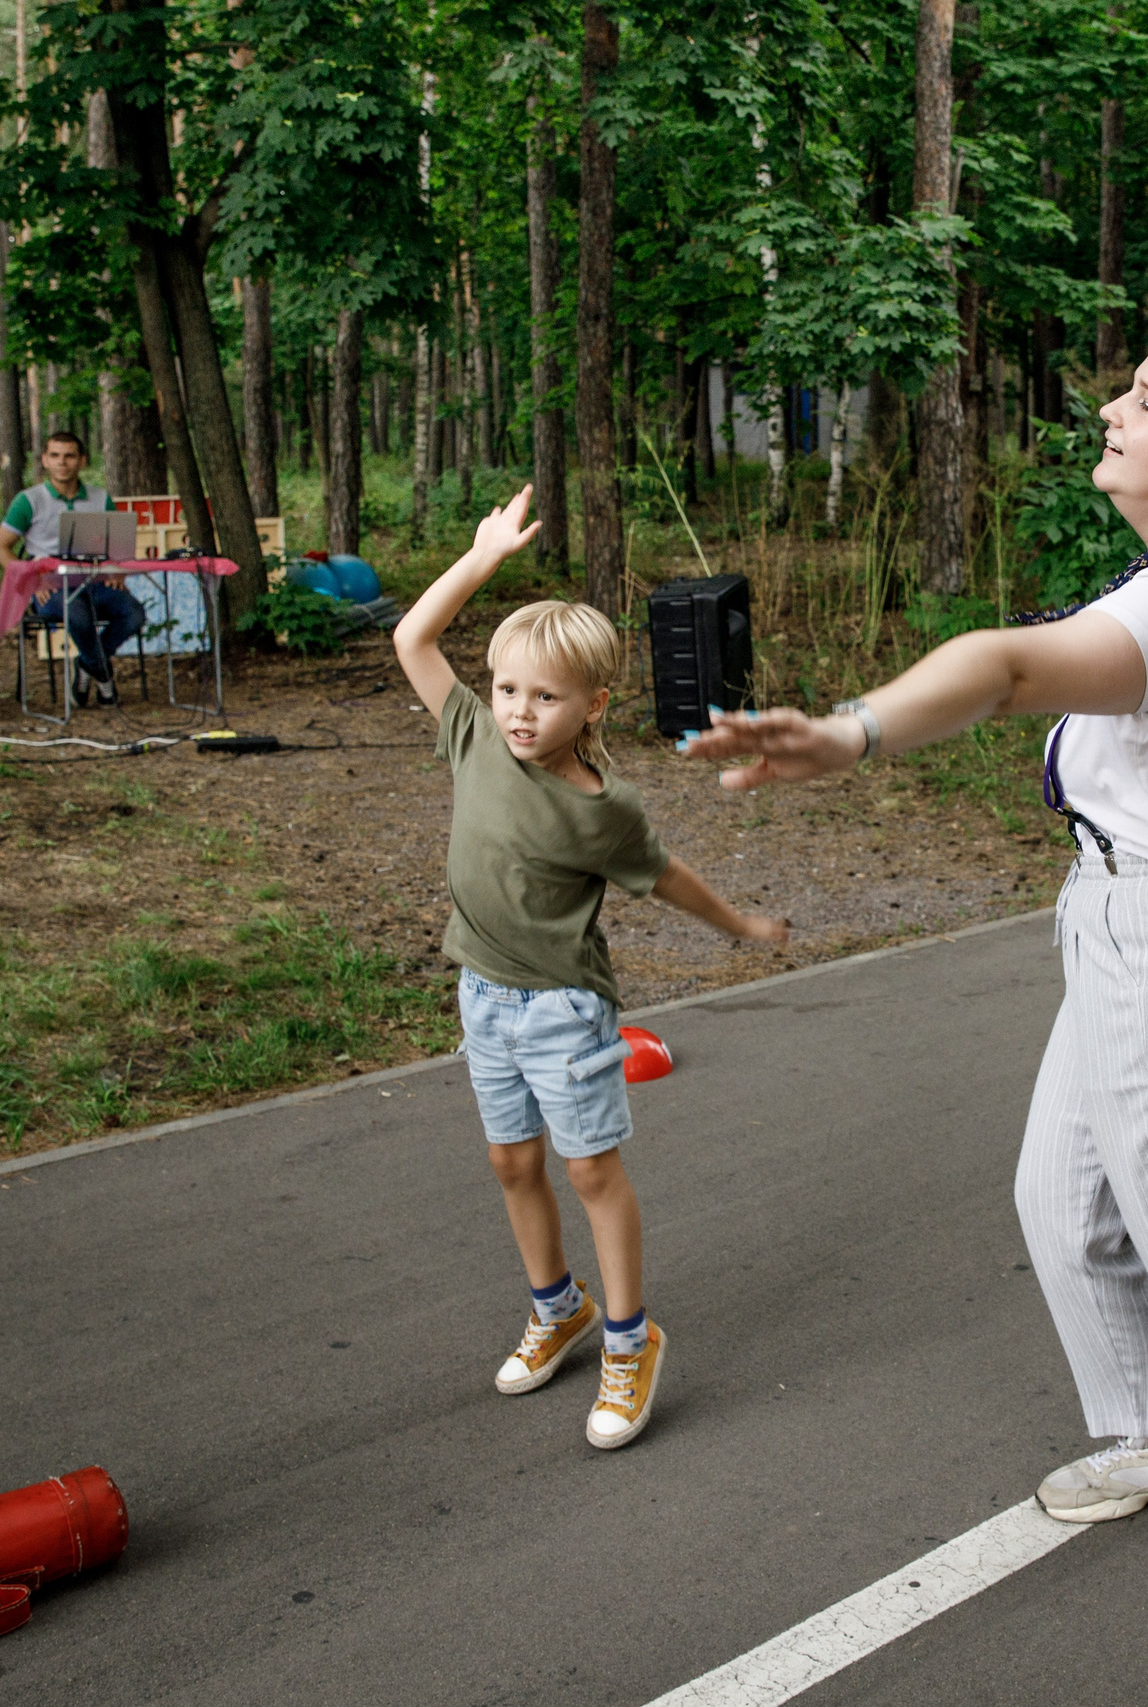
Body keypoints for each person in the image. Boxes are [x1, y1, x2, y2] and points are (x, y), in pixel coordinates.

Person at [684, 322, 1148, 1679]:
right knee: (1063, 1196)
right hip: (1127, 911)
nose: (1108, 406)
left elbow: (1008, 662)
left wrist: (853, 729)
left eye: (1143, 398)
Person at [391, 486, 790, 1451]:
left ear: (594, 704)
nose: (521, 712)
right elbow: (413, 637)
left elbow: (666, 878)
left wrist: (735, 921)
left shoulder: (604, 809)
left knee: (589, 1171)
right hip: (481, 991)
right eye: (510, 689)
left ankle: (626, 1338)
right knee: (509, 1160)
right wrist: (482, 560)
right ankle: (556, 1306)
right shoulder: (474, 737)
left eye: (547, 695)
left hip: (563, 1010)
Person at [0, 431, 144, 708]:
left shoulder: (100, 498)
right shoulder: (28, 500)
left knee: (134, 614)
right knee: (77, 613)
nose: (62, 462)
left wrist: (117, 573)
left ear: (81, 461)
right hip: (49, 585)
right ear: (44, 460)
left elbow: (119, 549)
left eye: (69, 456)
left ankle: (88, 666)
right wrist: (32, 580)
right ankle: (103, 675)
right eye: (55, 456)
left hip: (95, 579)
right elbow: (1, 546)